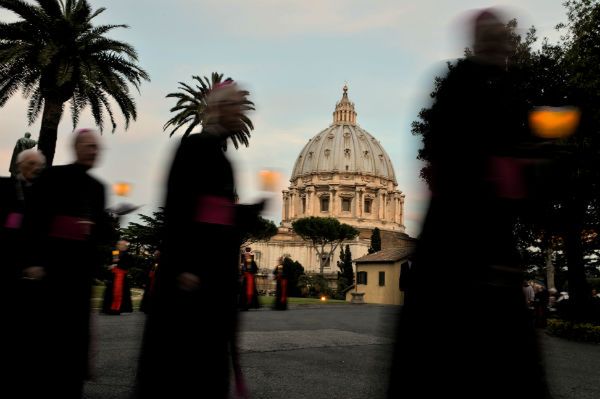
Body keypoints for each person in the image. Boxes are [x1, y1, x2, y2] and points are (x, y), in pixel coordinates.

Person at [387, 8, 551, 398]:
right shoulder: (461, 84)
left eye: (503, 37)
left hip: (485, 240)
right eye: (491, 36)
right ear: (479, 41)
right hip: (458, 241)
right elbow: (459, 157)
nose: (500, 44)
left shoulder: (506, 88)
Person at [135, 79, 264, 399]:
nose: (242, 112)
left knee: (207, 362)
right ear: (218, 109)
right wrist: (185, 266)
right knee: (181, 365)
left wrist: (247, 212)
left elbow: (218, 216)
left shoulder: (223, 158)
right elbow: (179, 208)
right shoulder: (193, 147)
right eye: (236, 106)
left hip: (214, 276)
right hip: (192, 275)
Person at [21, 128, 112, 398]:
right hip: (52, 268)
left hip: (79, 274)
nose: (92, 151)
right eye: (88, 145)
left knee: (75, 341)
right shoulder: (53, 176)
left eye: (96, 147)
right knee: (49, 338)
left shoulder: (98, 188)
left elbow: (100, 233)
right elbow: (33, 220)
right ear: (76, 147)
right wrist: (33, 260)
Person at [1, 149, 46, 395]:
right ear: (19, 165)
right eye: (30, 163)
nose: (34, 168)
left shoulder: (44, 194)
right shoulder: (6, 188)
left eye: (38, 165)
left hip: (34, 269)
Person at [101, 239, 134, 315]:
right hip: (113, 276)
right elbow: (111, 262)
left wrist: (117, 265)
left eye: (124, 245)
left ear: (126, 247)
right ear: (117, 245)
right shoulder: (115, 253)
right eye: (120, 244)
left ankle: (123, 309)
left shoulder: (128, 255)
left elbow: (129, 265)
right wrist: (109, 266)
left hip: (122, 277)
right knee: (110, 292)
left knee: (124, 293)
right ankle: (109, 309)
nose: (122, 246)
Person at [140, 249, 160, 314]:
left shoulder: (158, 261)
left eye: (157, 254)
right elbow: (146, 271)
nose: (155, 255)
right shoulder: (151, 261)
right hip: (149, 280)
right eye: (155, 254)